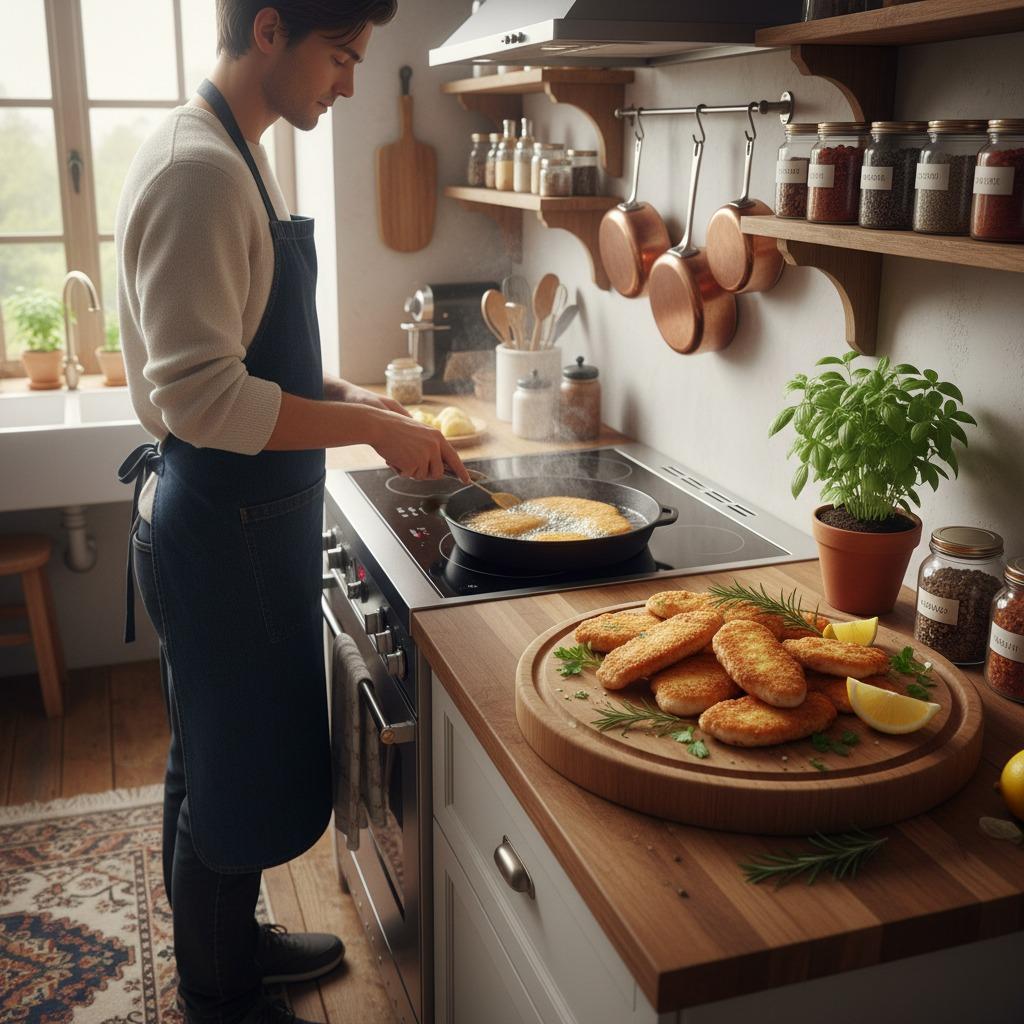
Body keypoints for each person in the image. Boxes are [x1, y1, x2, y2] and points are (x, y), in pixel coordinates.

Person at [114, 2, 468, 1021]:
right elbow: (202, 397)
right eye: (341, 56)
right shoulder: (200, 171)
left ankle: (229, 946)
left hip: (241, 524)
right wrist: (374, 436)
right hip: (216, 529)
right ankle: (220, 993)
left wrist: (361, 400)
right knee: (229, 779)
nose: (350, 83)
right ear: (269, 30)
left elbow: (254, 353)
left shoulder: (234, 151)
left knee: (212, 759)